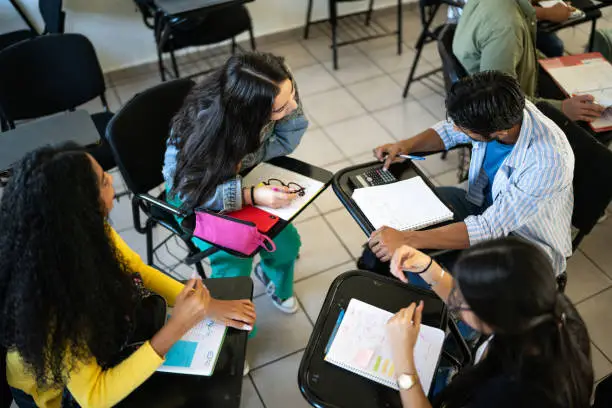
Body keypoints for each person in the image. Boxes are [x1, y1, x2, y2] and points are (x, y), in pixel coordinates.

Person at [0, 145, 256, 408]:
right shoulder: (56, 307)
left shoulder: (81, 232)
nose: (111, 179)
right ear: (82, 206)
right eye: (102, 181)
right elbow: (94, 396)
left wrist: (208, 306)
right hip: (59, 395)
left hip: (99, 347)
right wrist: (177, 326)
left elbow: (137, 270)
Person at [371, 71, 574, 277]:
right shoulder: (503, 109)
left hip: (523, 242)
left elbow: (490, 227)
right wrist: (406, 145)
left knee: (419, 272)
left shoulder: (548, 162)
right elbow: (450, 130)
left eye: (464, 130)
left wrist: (408, 239)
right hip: (480, 205)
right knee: (404, 215)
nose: (455, 130)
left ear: (500, 132)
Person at [163, 52, 308, 314]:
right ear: (249, 112)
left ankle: (272, 279)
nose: (294, 108)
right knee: (234, 264)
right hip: (200, 202)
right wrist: (250, 195)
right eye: (281, 108)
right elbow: (190, 193)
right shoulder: (202, 132)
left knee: (287, 243)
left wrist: (247, 173)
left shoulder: (273, 87)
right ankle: (234, 335)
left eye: (292, 95)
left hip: (244, 182)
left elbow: (288, 137)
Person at [386, 237, 593, 408]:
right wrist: (428, 267)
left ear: (492, 319)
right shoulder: (550, 309)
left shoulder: (506, 394)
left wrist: (403, 358)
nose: (454, 298)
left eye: (461, 303)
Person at [453, 0, 606, 125]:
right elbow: (500, 103)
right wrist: (563, 109)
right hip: (506, 113)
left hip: (504, 88)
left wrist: (552, 63)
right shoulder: (507, 27)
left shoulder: (507, 11)